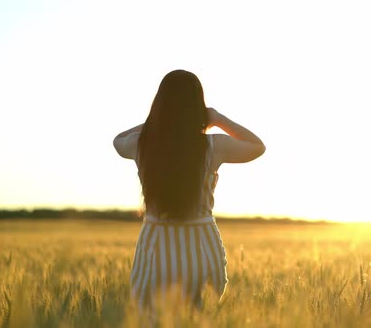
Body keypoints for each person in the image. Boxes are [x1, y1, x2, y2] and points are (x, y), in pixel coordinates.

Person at [113, 70, 265, 310]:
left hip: (155, 249)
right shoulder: (214, 146)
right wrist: (217, 118)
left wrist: (156, 121)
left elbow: (118, 139)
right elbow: (257, 146)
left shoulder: (140, 144)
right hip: (202, 249)